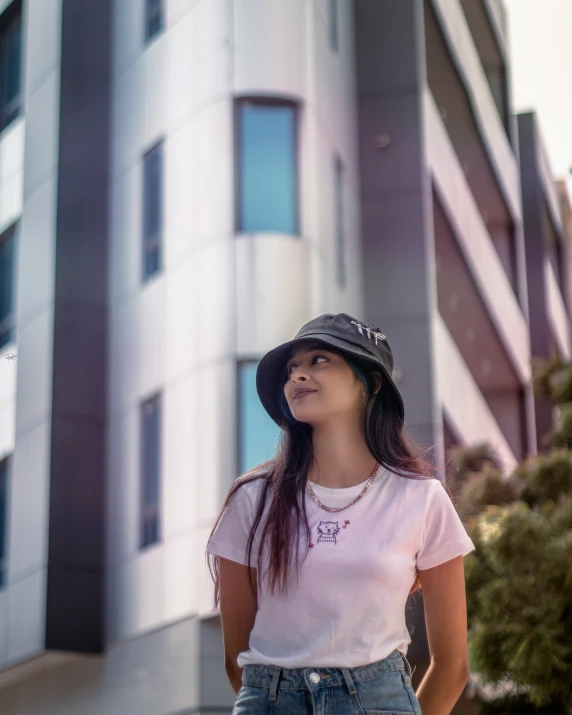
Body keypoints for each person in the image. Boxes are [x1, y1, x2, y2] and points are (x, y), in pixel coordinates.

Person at [206, 312, 476, 714]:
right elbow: (237, 659)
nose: (297, 375)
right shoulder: (253, 500)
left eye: (319, 360)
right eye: (292, 367)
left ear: (372, 382)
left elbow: (453, 666)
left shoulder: (422, 500)